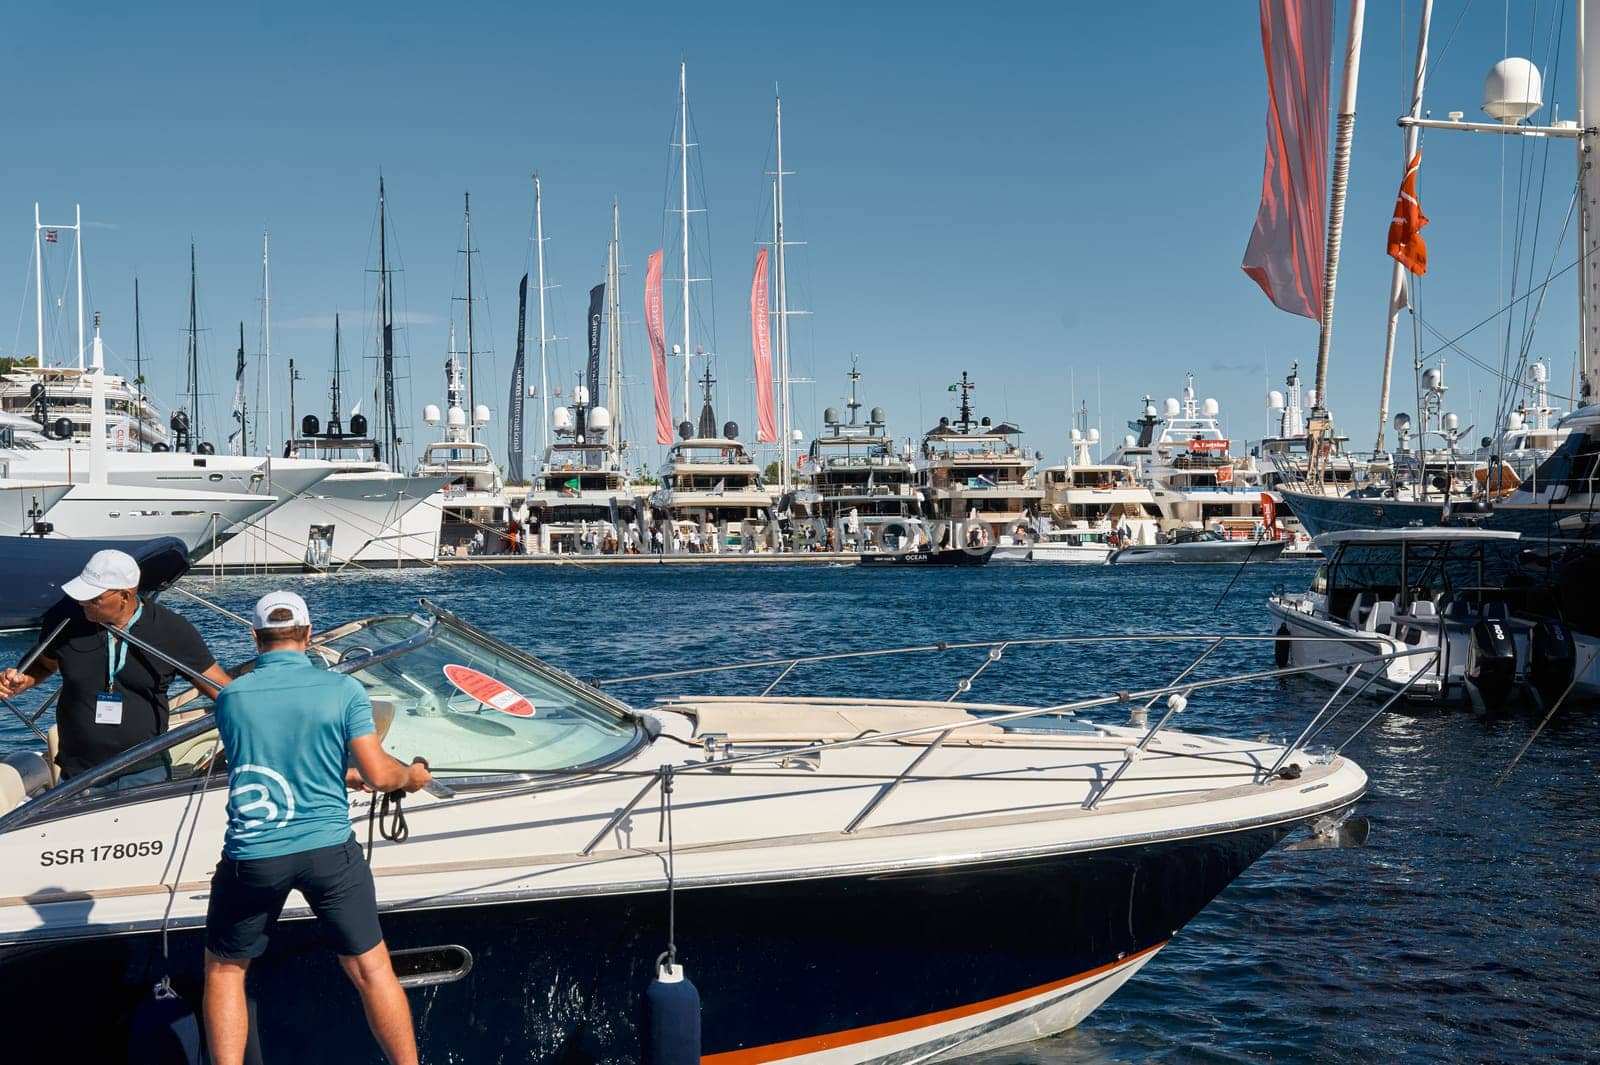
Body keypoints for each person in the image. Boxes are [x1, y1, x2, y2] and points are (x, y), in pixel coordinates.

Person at [203, 591, 431, 1065]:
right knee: (372, 970)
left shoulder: (231, 698)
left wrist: (341, 773)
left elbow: (270, 759)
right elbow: (380, 776)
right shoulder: (343, 690)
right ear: (308, 635)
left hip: (256, 853)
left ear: (255, 638)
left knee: (225, 971)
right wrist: (412, 775)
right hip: (329, 853)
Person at [0, 549, 230, 786]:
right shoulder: (66, 620)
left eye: (93, 598)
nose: (82, 602)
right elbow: (43, 663)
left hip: (144, 772)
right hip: (78, 774)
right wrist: (23, 681)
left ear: (124, 595)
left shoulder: (171, 630)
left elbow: (221, 690)